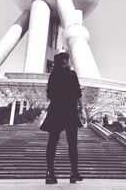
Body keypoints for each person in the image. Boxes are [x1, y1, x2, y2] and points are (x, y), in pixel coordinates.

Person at [40, 52, 86, 184]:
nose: (70, 62)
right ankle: (74, 173)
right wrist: (82, 109)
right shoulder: (72, 74)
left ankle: (50, 174)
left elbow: (49, 94)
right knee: (72, 143)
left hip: (55, 110)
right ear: (65, 61)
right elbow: (78, 93)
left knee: (52, 142)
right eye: (69, 60)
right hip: (70, 111)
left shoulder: (53, 74)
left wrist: (58, 99)